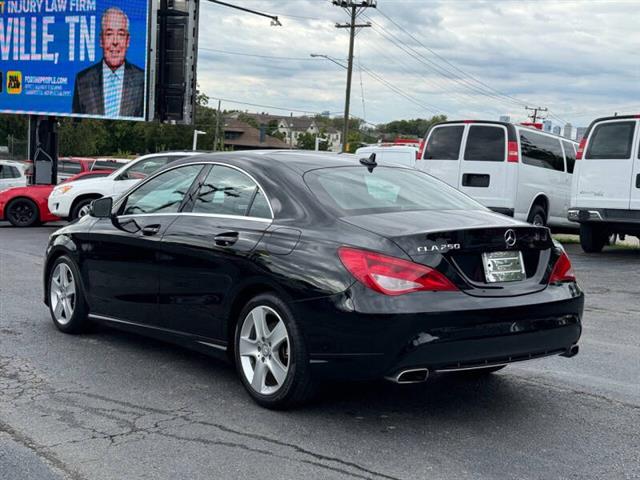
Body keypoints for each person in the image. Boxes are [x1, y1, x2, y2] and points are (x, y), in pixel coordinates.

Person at [72, 7, 144, 118]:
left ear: (127, 41)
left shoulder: (142, 79)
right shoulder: (82, 80)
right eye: (109, 34)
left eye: (120, 34)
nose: (115, 42)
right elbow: (76, 125)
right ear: (101, 40)